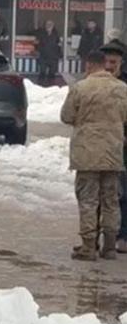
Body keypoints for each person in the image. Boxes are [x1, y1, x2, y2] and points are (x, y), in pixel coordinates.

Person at [60, 50, 127, 261]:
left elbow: (66, 116)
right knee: (111, 201)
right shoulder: (122, 88)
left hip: (87, 153)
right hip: (113, 153)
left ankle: (88, 246)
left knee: (88, 200)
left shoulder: (81, 88)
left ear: (89, 65)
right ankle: (109, 246)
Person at [101, 40, 127, 255]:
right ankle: (100, 238)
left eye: (113, 62)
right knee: (103, 193)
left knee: (124, 192)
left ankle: (123, 235)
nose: (109, 66)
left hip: (123, 146)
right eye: (107, 62)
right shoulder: (96, 83)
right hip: (102, 146)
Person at [35, 20, 61, 86]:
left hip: (53, 57)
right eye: (47, 24)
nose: (49, 26)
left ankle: (51, 87)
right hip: (43, 57)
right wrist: (38, 51)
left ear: (53, 26)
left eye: (50, 24)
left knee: (52, 74)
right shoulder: (41, 34)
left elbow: (59, 45)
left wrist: (59, 55)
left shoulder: (56, 34)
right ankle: (40, 86)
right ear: (45, 25)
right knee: (42, 72)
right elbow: (36, 43)